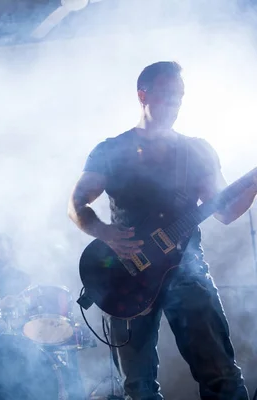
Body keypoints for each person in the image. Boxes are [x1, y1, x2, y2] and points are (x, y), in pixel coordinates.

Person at [68, 61, 255, 400]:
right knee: (138, 387)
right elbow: (76, 205)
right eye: (169, 95)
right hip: (127, 276)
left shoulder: (196, 150)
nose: (176, 104)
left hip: (187, 270)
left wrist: (254, 182)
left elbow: (225, 212)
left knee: (223, 378)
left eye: (180, 96)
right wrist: (105, 233)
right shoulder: (111, 150)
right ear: (144, 95)